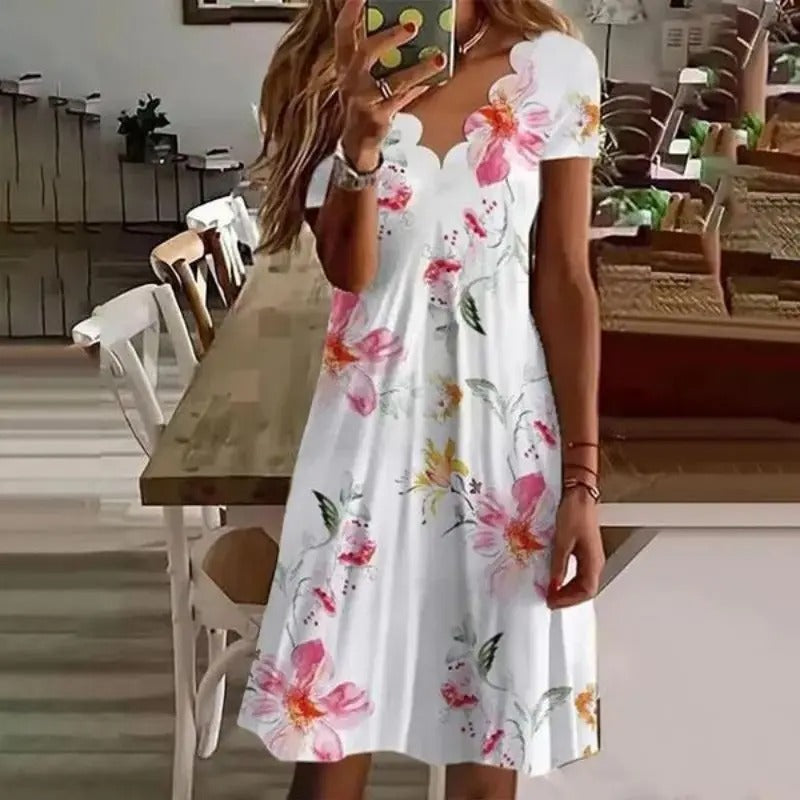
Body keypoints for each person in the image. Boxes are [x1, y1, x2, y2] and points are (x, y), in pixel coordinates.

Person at [239, 0, 605, 797]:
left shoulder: (557, 68)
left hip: (505, 451)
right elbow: (351, 274)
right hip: (363, 444)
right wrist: (360, 143)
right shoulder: (328, 68)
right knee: (328, 749)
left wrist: (582, 481)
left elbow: (566, 280)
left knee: (491, 748)